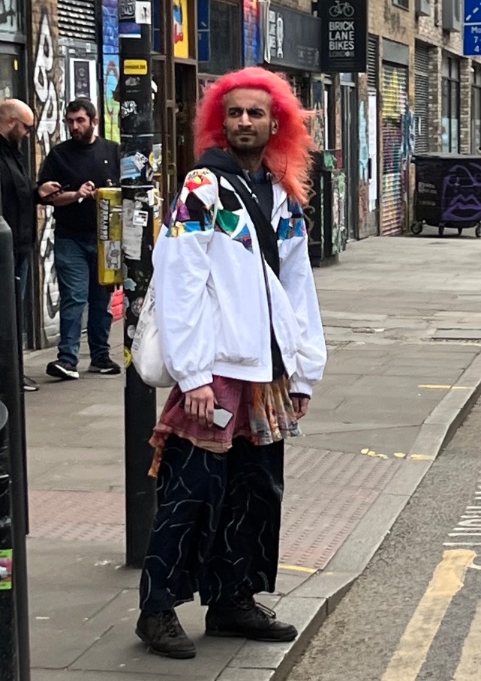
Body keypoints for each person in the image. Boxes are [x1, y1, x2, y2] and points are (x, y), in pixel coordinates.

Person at [137, 67, 327, 660]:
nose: (245, 121)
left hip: (268, 374)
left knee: (255, 490)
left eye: (256, 113)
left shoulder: (283, 195)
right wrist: (193, 374)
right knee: (191, 491)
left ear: (276, 124)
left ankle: (232, 601)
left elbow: (298, 287)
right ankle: (157, 609)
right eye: (235, 112)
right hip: (215, 371)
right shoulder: (202, 187)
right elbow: (179, 279)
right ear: (221, 121)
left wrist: (304, 371)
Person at [38, 99, 121, 381]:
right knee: (74, 296)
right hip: (70, 237)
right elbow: (47, 197)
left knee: (101, 300)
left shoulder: (112, 151)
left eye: (80, 121)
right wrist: (76, 195)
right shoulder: (59, 155)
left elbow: (128, 191)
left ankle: (100, 356)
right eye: (70, 121)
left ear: (94, 122)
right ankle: (67, 359)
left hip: (105, 239)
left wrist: (107, 194)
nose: (74, 126)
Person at [0, 99, 61, 391]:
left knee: (14, 313)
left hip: (20, 246)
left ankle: (12, 373)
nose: (28, 133)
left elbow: (18, 193)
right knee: (7, 315)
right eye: (26, 127)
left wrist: (38, 192)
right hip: (6, 248)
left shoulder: (14, 152)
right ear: (11, 122)